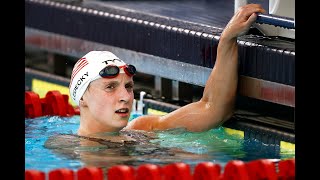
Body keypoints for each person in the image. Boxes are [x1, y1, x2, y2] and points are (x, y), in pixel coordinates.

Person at [45, 4, 266, 169]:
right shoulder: (67, 145)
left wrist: (227, 39)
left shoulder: (143, 129)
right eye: (110, 87)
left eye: (129, 87)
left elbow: (213, 108)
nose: (125, 97)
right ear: (81, 97)